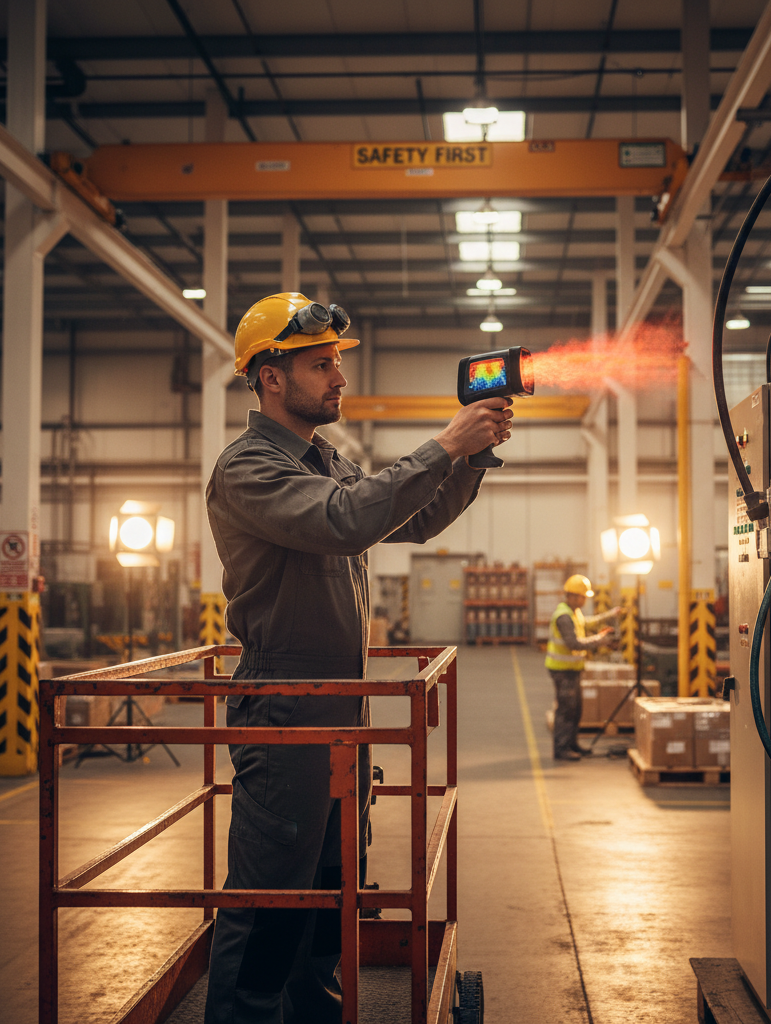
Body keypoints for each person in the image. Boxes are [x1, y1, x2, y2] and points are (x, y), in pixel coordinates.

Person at [202, 292, 513, 1024]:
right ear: (270, 377)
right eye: (321, 364)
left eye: (338, 361)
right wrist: (443, 443)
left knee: (332, 891)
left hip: (341, 711)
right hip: (285, 713)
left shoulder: (324, 457)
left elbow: (415, 517)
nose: (339, 377)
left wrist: (475, 456)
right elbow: (345, 521)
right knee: (271, 902)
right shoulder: (248, 469)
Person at [544, 575, 620, 760]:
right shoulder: (563, 616)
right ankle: (561, 749)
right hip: (562, 670)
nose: (585, 600)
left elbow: (587, 622)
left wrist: (609, 615)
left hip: (572, 670)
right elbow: (573, 643)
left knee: (576, 708)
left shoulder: (573, 612)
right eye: (583, 596)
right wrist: (599, 641)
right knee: (565, 709)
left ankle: (572, 743)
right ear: (573, 596)